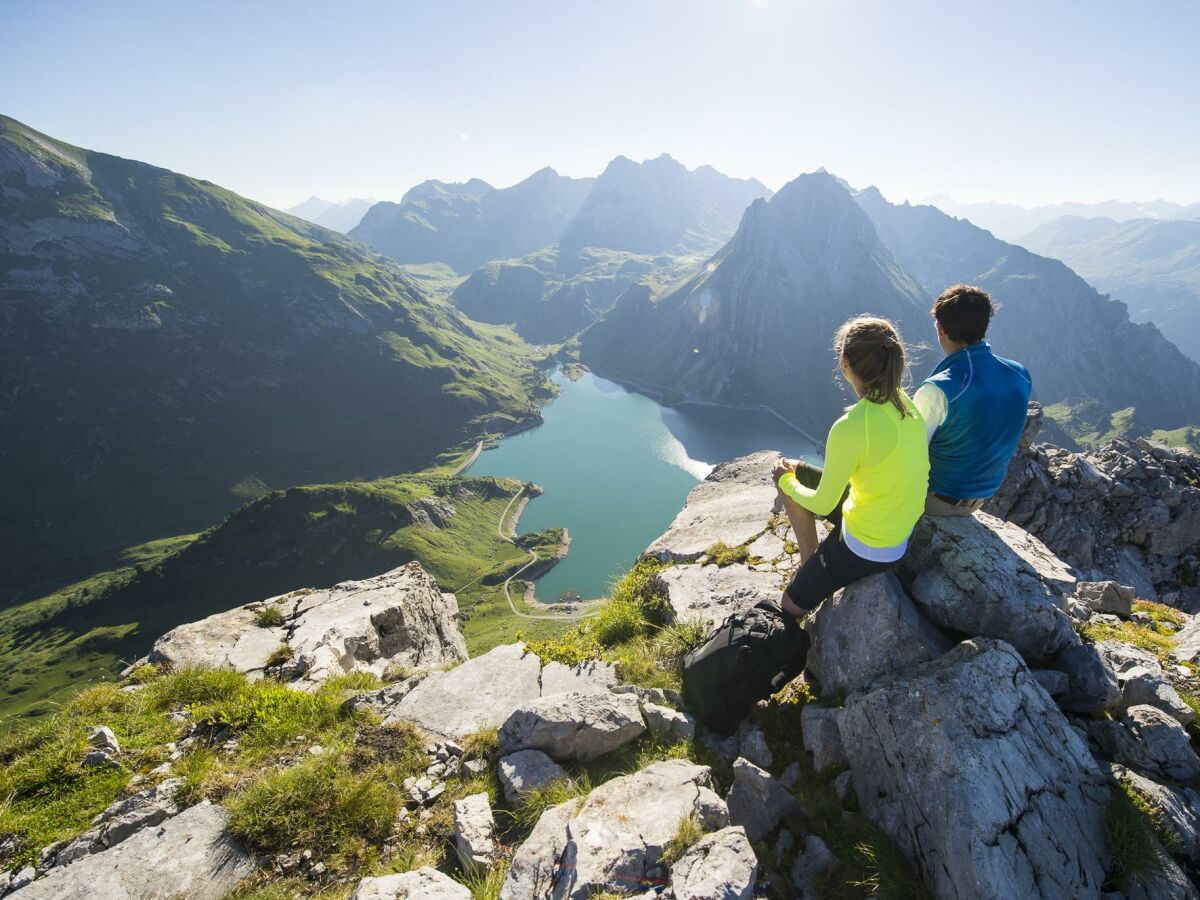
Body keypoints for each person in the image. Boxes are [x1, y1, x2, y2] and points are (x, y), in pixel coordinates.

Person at [772, 316, 929, 622]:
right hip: (896, 529)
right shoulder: (908, 405)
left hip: (868, 546)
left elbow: (822, 504)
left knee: (789, 605)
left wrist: (785, 482)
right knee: (795, 468)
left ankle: (812, 574)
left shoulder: (853, 426)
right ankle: (811, 564)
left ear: (844, 363)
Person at [912, 284, 1032, 516]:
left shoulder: (939, 388)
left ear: (941, 329)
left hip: (935, 497)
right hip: (980, 498)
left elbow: (909, 451)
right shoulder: (1020, 374)